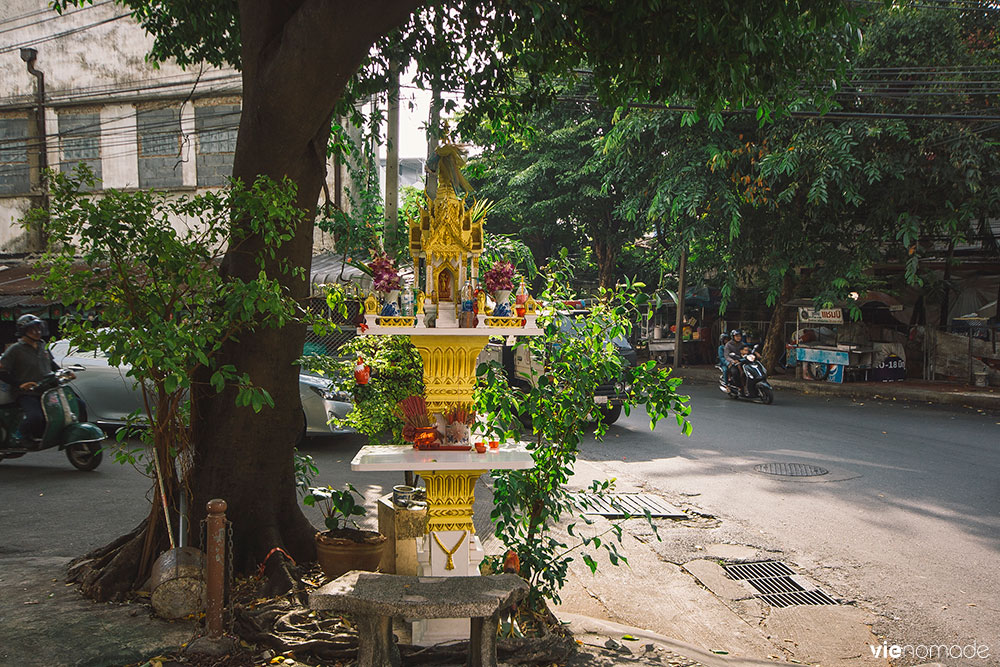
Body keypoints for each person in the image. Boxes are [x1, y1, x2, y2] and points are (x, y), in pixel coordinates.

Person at [0, 315, 72, 441]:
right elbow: (2, 371)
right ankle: (20, 435)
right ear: (23, 331)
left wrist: (64, 372)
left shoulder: (42, 345)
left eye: (38, 329)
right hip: (27, 393)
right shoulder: (15, 349)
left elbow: (51, 364)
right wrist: (20, 384)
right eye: (32, 329)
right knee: (35, 417)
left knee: (76, 404)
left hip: (47, 389)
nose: (37, 332)